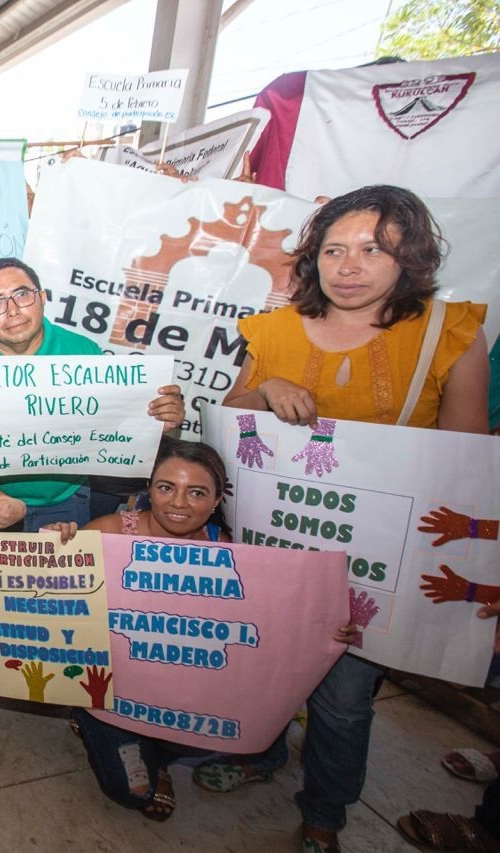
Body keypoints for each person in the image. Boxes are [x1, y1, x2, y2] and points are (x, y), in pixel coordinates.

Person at [218, 185, 490, 853]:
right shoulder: (273, 328)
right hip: (274, 549)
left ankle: (324, 813)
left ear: (410, 255)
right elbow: (226, 418)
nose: (349, 265)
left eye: (373, 249)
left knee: (342, 700)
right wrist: (263, 390)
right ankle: (260, 754)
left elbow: (467, 466)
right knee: (267, 665)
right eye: (334, 249)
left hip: (375, 566)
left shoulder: (448, 333)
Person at [59, 441, 316, 822]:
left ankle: (157, 754)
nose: (178, 503)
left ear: (216, 502)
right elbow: (57, 597)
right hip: (113, 690)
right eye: (166, 488)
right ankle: (95, 722)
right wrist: (59, 545)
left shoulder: (225, 548)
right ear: (149, 489)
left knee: (207, 735)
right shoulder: (110, 531)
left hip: (181, 693)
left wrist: (324, 624)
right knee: (133, 792)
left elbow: (262, 621)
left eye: (196, 492)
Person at [0, 257, 185, 531]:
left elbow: (113, 423)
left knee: (53, 575)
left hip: (66, 499)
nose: (12, 310)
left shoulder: (84, 352)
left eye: (22, 294)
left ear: (42, 298)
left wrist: (156, 420)